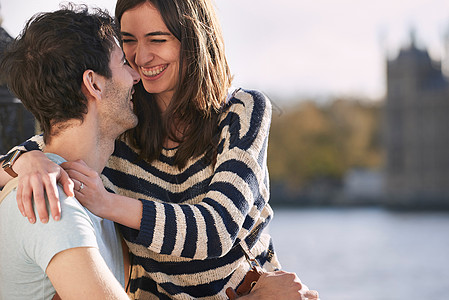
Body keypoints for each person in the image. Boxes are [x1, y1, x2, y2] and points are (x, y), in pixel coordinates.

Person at [0, 0, 319, 299]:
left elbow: (216, 229)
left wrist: (108, 203)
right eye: (128, 41)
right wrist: (32, 160)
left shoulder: (241, 112)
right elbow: (55, 144)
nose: (140, 58)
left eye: (157, 40)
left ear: (192, 41)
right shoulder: (119, 122)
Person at [0, 5, 140, 299]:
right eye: (123, 63)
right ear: (94, 83)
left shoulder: (91, 191)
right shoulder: (49, 198)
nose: (135, 75)